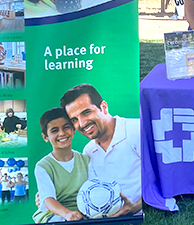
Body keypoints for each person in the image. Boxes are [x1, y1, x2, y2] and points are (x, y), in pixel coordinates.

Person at [60, 84, 142, 218]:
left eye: (86, 112)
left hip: (140, 217)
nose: (81, 124)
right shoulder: (89, 150)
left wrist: (138, 205)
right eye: (74, 120)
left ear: (103, 107)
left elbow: (164, 176)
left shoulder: (137, 130)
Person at [33, 108, 89, 222]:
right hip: (54, 216)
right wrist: (68, 214)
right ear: (45, 137)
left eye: (66, 127)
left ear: (73, 129)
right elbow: (48, 199)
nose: (62, 133)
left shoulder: (86, 160)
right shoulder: (43, 166)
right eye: (54, 130)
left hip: (85, 213)